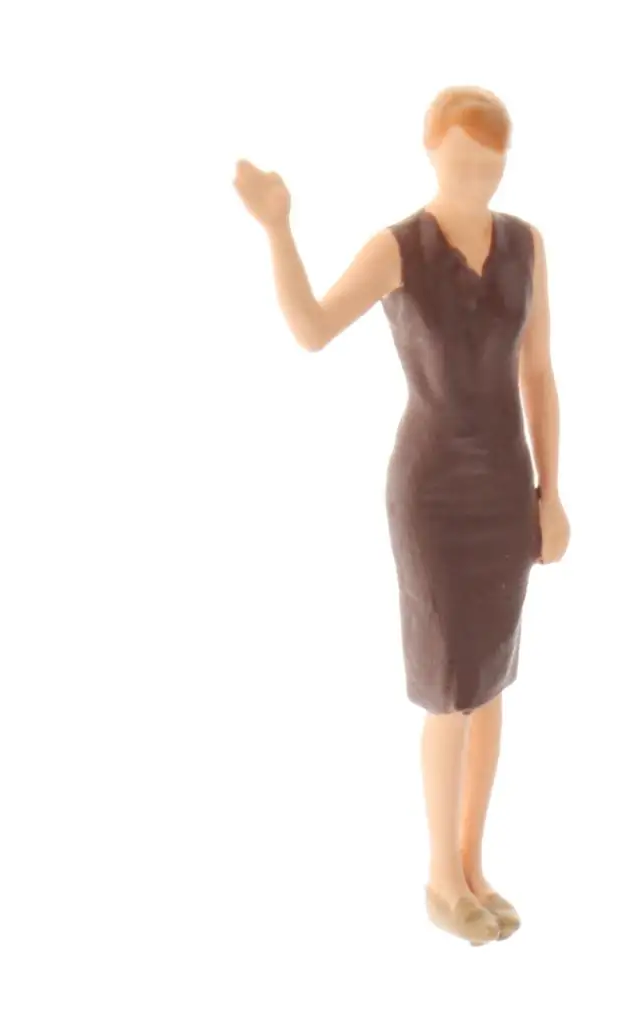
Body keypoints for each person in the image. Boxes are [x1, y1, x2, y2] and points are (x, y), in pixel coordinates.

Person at [234, 85, 570, 945]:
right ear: (429, 152)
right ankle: (438, 880)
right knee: (450, 689)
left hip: (506, 487)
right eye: (459, 162)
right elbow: (312, 327)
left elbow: (538, 374)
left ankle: (474, 866)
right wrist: (278, 227)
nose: (474, 179)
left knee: (491, 684)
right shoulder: (399, 248)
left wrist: (552, 492)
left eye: (489, 166)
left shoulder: (527, 244)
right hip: (433, 494)